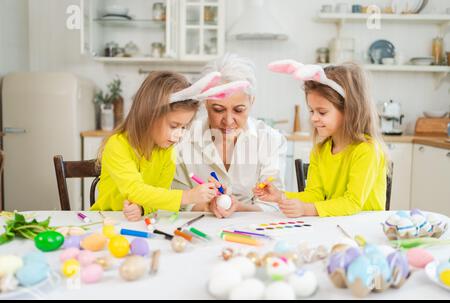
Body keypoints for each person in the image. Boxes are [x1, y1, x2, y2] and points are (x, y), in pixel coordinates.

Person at [91, 71, 245, 221]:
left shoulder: (167, 152)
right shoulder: (117, 145)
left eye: (183, 127)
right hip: (104, 220)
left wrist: (142, 209)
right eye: (173, 126)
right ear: (150, 116)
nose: (179, 135)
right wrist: (188, 196)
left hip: (135, 224)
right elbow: (135, 190)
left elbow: (159, 199)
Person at [254, 60, 389, 217]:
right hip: (336, 225)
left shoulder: (367, 150)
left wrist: (306, 209)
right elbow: (314, 195)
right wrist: (280, 196)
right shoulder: (320, 150)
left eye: (322, 112)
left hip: (365, 230)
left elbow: (352, 202)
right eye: (312, 111)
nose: (314, 118)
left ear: (348, 111)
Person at [172, 54, 287, 218]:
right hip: (198, 227)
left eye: (239, 110)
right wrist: (205, 206)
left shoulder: (271, 140)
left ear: (251, 102)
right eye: (218, 109)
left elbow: (274, 204)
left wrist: (239, 207)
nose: (228, 120)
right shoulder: (183, 138)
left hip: (253, 229)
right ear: (206, 102)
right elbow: (176, 199)